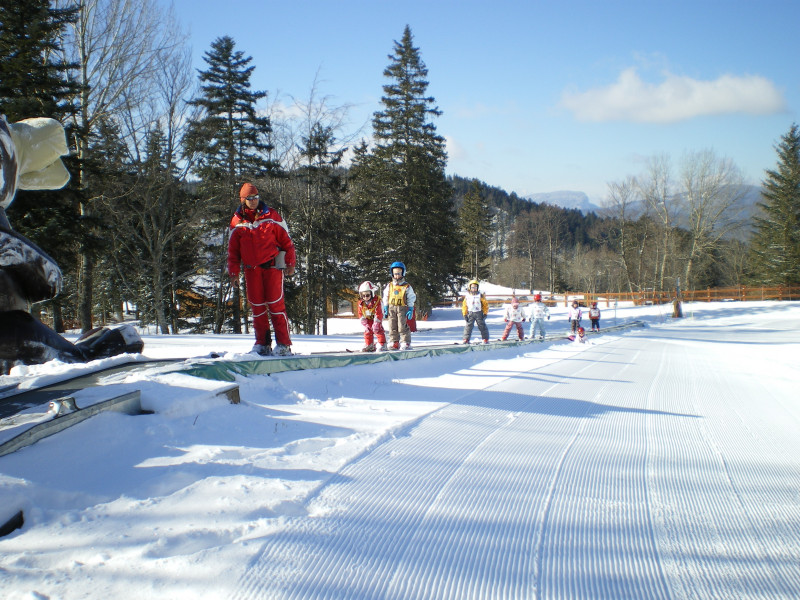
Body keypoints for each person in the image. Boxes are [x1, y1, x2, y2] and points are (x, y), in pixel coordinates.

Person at [227, 183, 296, 356]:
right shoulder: (237, 222)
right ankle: (262, 343)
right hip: (251, 270)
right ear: (243, 200)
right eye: (250, 198)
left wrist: (290, 263)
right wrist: (233, 273)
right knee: (257, 307)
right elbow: (233, 251)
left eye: (256, 197)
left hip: (272, 267)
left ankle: (284, 344)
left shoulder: (271, 215)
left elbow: (287, 241)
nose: (253, 200)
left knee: (275, 305)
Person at [382, 261, 416, 350]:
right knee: (392, 325)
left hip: (402, 308)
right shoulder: (390, 286)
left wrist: (410, 308)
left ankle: (405, 341)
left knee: (402, 325)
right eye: (395, 274)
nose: (397, 276)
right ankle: (394, 341)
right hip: (391, 308)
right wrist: (385, 307)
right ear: (392, 274)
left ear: (403, 273)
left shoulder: (406, 286)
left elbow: (411, 297)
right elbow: (385, 296)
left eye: (399, 273)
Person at [357, 281, 387, 352]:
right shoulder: (361, 303)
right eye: (363, 296)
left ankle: (382, 344)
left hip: (376, 318)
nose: (365, 297)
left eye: (367, 295)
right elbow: (360, 312)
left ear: (372, 293)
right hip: (367, 319)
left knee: (377, 330)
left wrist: (377, 322)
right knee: (367, 331)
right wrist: (363, 321)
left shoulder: (377, 301)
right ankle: (369, 344)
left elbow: (379, 312)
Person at [462, 279, 490, 344]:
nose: (474, 289)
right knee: (468, 326)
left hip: (479, 313)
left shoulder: (480, 295)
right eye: (472, 287)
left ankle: (485, 338)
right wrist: (465, 314)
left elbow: (485, 305)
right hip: (470, 313)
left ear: (477, 288)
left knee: (482, 326)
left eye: (475, 287)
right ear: (470, 288)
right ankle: (466, 339)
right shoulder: (467, 296)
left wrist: (485, 313)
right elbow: (464, 305)